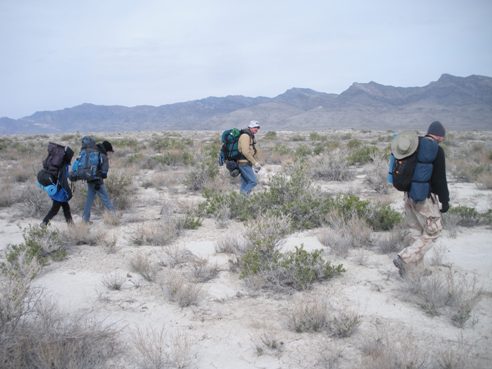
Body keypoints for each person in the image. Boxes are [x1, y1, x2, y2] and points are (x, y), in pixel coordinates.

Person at [393, 121, 450, 277]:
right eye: (443, 137)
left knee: (417, 233)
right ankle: (405, 258)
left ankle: (415, 270)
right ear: (439, 136)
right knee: (433, 232)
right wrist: (445, 200)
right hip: (424, 199)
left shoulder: (413, 146)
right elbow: (440, 179)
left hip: (408, 196)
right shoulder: (437, 151)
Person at [82, 140, 115, 223]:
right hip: (98, 181)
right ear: (107, 149)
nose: (109, 153)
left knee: (89, 201)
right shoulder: (103, 156)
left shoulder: (94, 152)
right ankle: (114, 217)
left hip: (89, 179)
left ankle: (84, 220)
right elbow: (104, 173)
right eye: (109, 151)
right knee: (106, 198)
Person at [42, 147, 75, 226]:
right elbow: (64, 182)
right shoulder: (63, 166)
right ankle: (44, 223)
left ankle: (71, 226)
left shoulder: (59, 164)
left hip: (57, 191)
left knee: (66, 208)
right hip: (60, 193)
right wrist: (69, 193)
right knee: (55, 210)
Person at [237, 120, 262, 195]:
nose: (256, 129)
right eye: (255, 127)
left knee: (246, 182)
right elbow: (245, 152)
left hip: (246, 163)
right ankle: (243, 197)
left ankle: (241, 202)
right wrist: (255, 163)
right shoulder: (245, 136)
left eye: (258, 127)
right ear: (250, 127)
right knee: (253, 181)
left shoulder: (250, 136)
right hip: (243, 163)